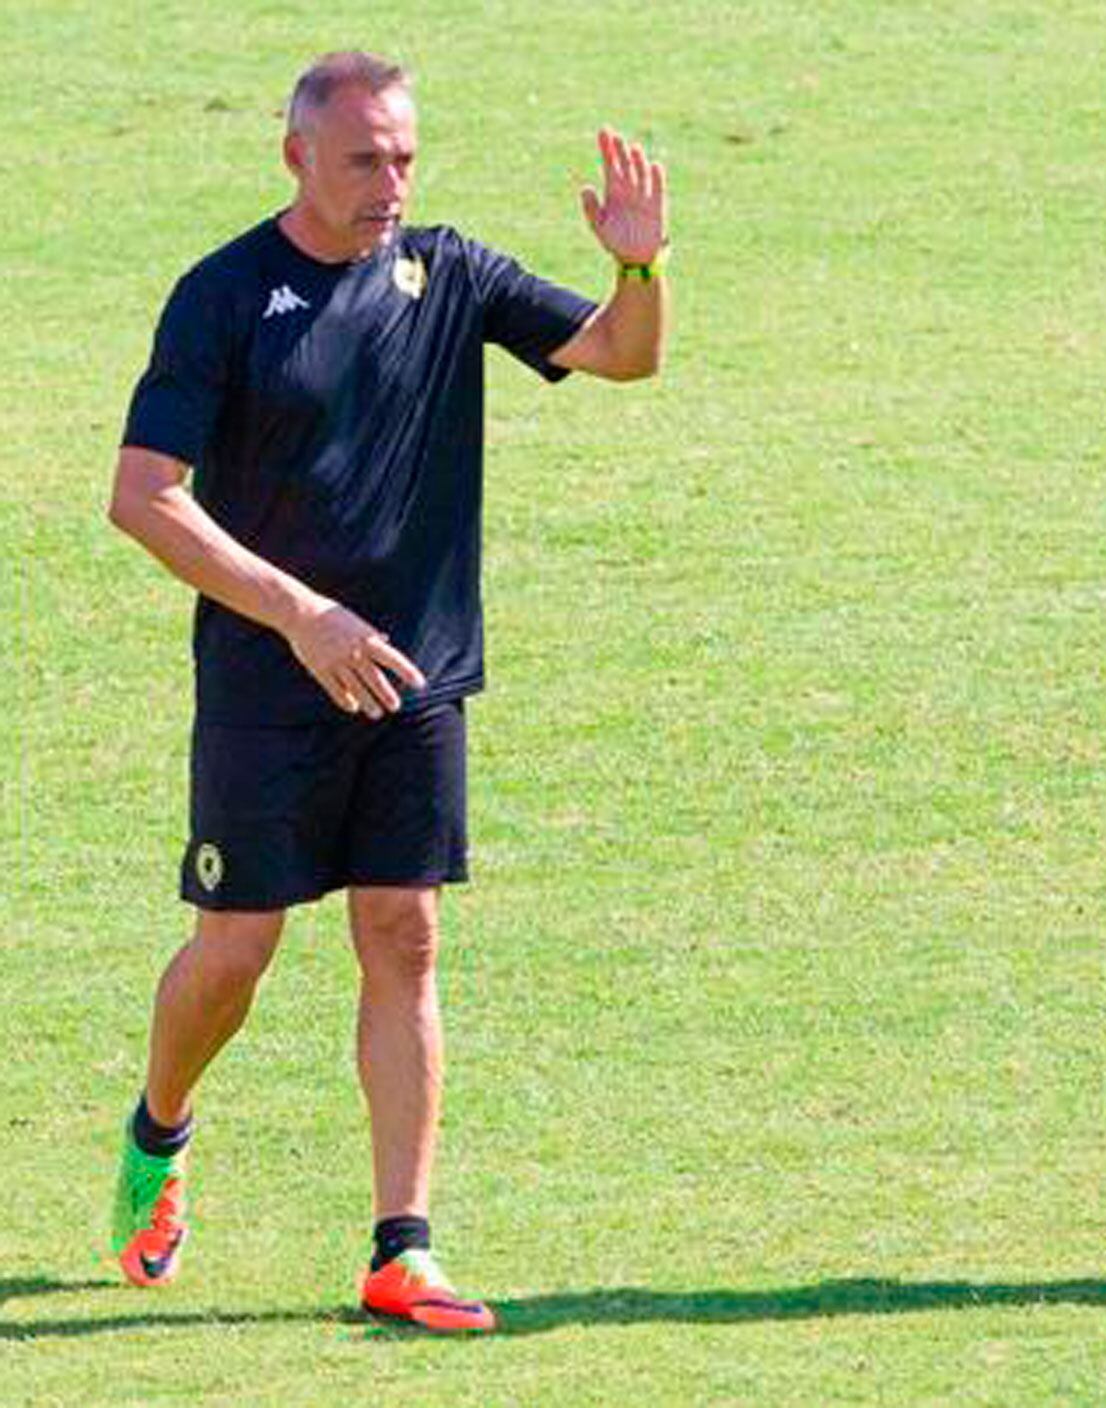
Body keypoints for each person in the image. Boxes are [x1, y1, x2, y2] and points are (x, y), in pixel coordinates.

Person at [106, 50, 669, 1332]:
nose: (390, 184)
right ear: (297, 154)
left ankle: (400, 1247)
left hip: (415, 675)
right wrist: (302, 615)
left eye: (404, 157)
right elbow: (143, 495)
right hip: (267, 678)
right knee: (237, 949)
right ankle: (159, 1128)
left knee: (403, 934)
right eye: (364, 160)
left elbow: (624, 358)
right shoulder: (225, 295)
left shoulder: (451, 272)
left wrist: (642, 264)